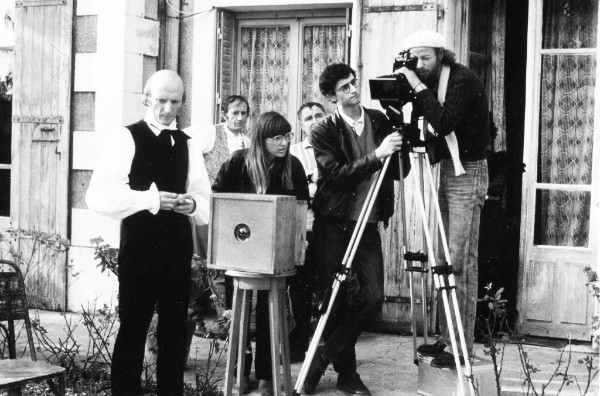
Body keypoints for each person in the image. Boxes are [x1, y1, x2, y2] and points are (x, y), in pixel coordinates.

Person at [86, 70, 211, 396]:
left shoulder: (188, 144)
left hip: (176, 247)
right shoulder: (125, 138)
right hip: (140, 246)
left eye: (175, 101)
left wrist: (193, 205)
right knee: (133, 327)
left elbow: (207, 203)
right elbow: (98, 196)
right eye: (161, 101)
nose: (168, 109)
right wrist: (150, 199)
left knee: (173, 332)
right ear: (146, 98)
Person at [304, 63, 409, 396]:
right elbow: (336, 174)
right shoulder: (322, 130)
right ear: (332, 97)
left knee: (373, 297)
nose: (353, 89)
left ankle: (322, 358)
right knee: (335, 300)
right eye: (344, 87)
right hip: (334, 223)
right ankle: (347, 375)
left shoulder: (378, 120)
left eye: (354, 83)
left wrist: (400, 145)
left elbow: (398, 172)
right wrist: (378, 154)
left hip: (368, 221)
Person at [395, 30, 490, 366]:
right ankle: (449, 337)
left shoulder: (463, 80)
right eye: (414, 59)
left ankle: (461, 345)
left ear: (441, 55)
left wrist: (416, 87)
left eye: (426, 58)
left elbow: (444, 120)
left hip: (468, 171)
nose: (419, 65)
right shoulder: (430, 80)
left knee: (461, 262)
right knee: (445, 259)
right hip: (446, 168)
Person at [212, 111, 309, 396]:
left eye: (287, 136)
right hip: (240, 252)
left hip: (275, 255)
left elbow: (302, 207)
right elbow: (220, 200)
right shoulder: (237, 162)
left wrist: (296, 247)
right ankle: (239, 372)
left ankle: (267, 374)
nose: (283, 143)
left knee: (270, 312)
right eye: (276, 137)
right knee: (237, 312)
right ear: (261, 139)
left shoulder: (292, 165)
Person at [288, 101, 326, 363]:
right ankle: (298, 343)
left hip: (332, 227)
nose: (314, 121)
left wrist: (316, 181)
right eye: (308, 118)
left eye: (319, 115)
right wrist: (315, 180)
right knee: (300, 288)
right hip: (306, 228)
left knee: (330, 287)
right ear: (301, 125)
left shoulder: (336, 146)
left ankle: (328, 348)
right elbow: (299, 188)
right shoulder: (294, 153)